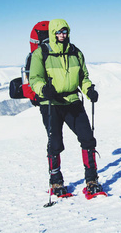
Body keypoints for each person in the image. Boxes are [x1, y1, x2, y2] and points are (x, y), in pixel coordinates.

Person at [29, 18, 101, 197]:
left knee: (88, 139)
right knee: (55, 143)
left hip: (72, 100)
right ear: (53, 33)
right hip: (51, 104)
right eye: (59, 32)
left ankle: (92, 180)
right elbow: (35, 78)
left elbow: (83, 77)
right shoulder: (41, 54)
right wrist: (43, 90)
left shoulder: (75, 52)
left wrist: (88, 90)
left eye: (65, 31)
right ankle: (56, 182)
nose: (62, 35)